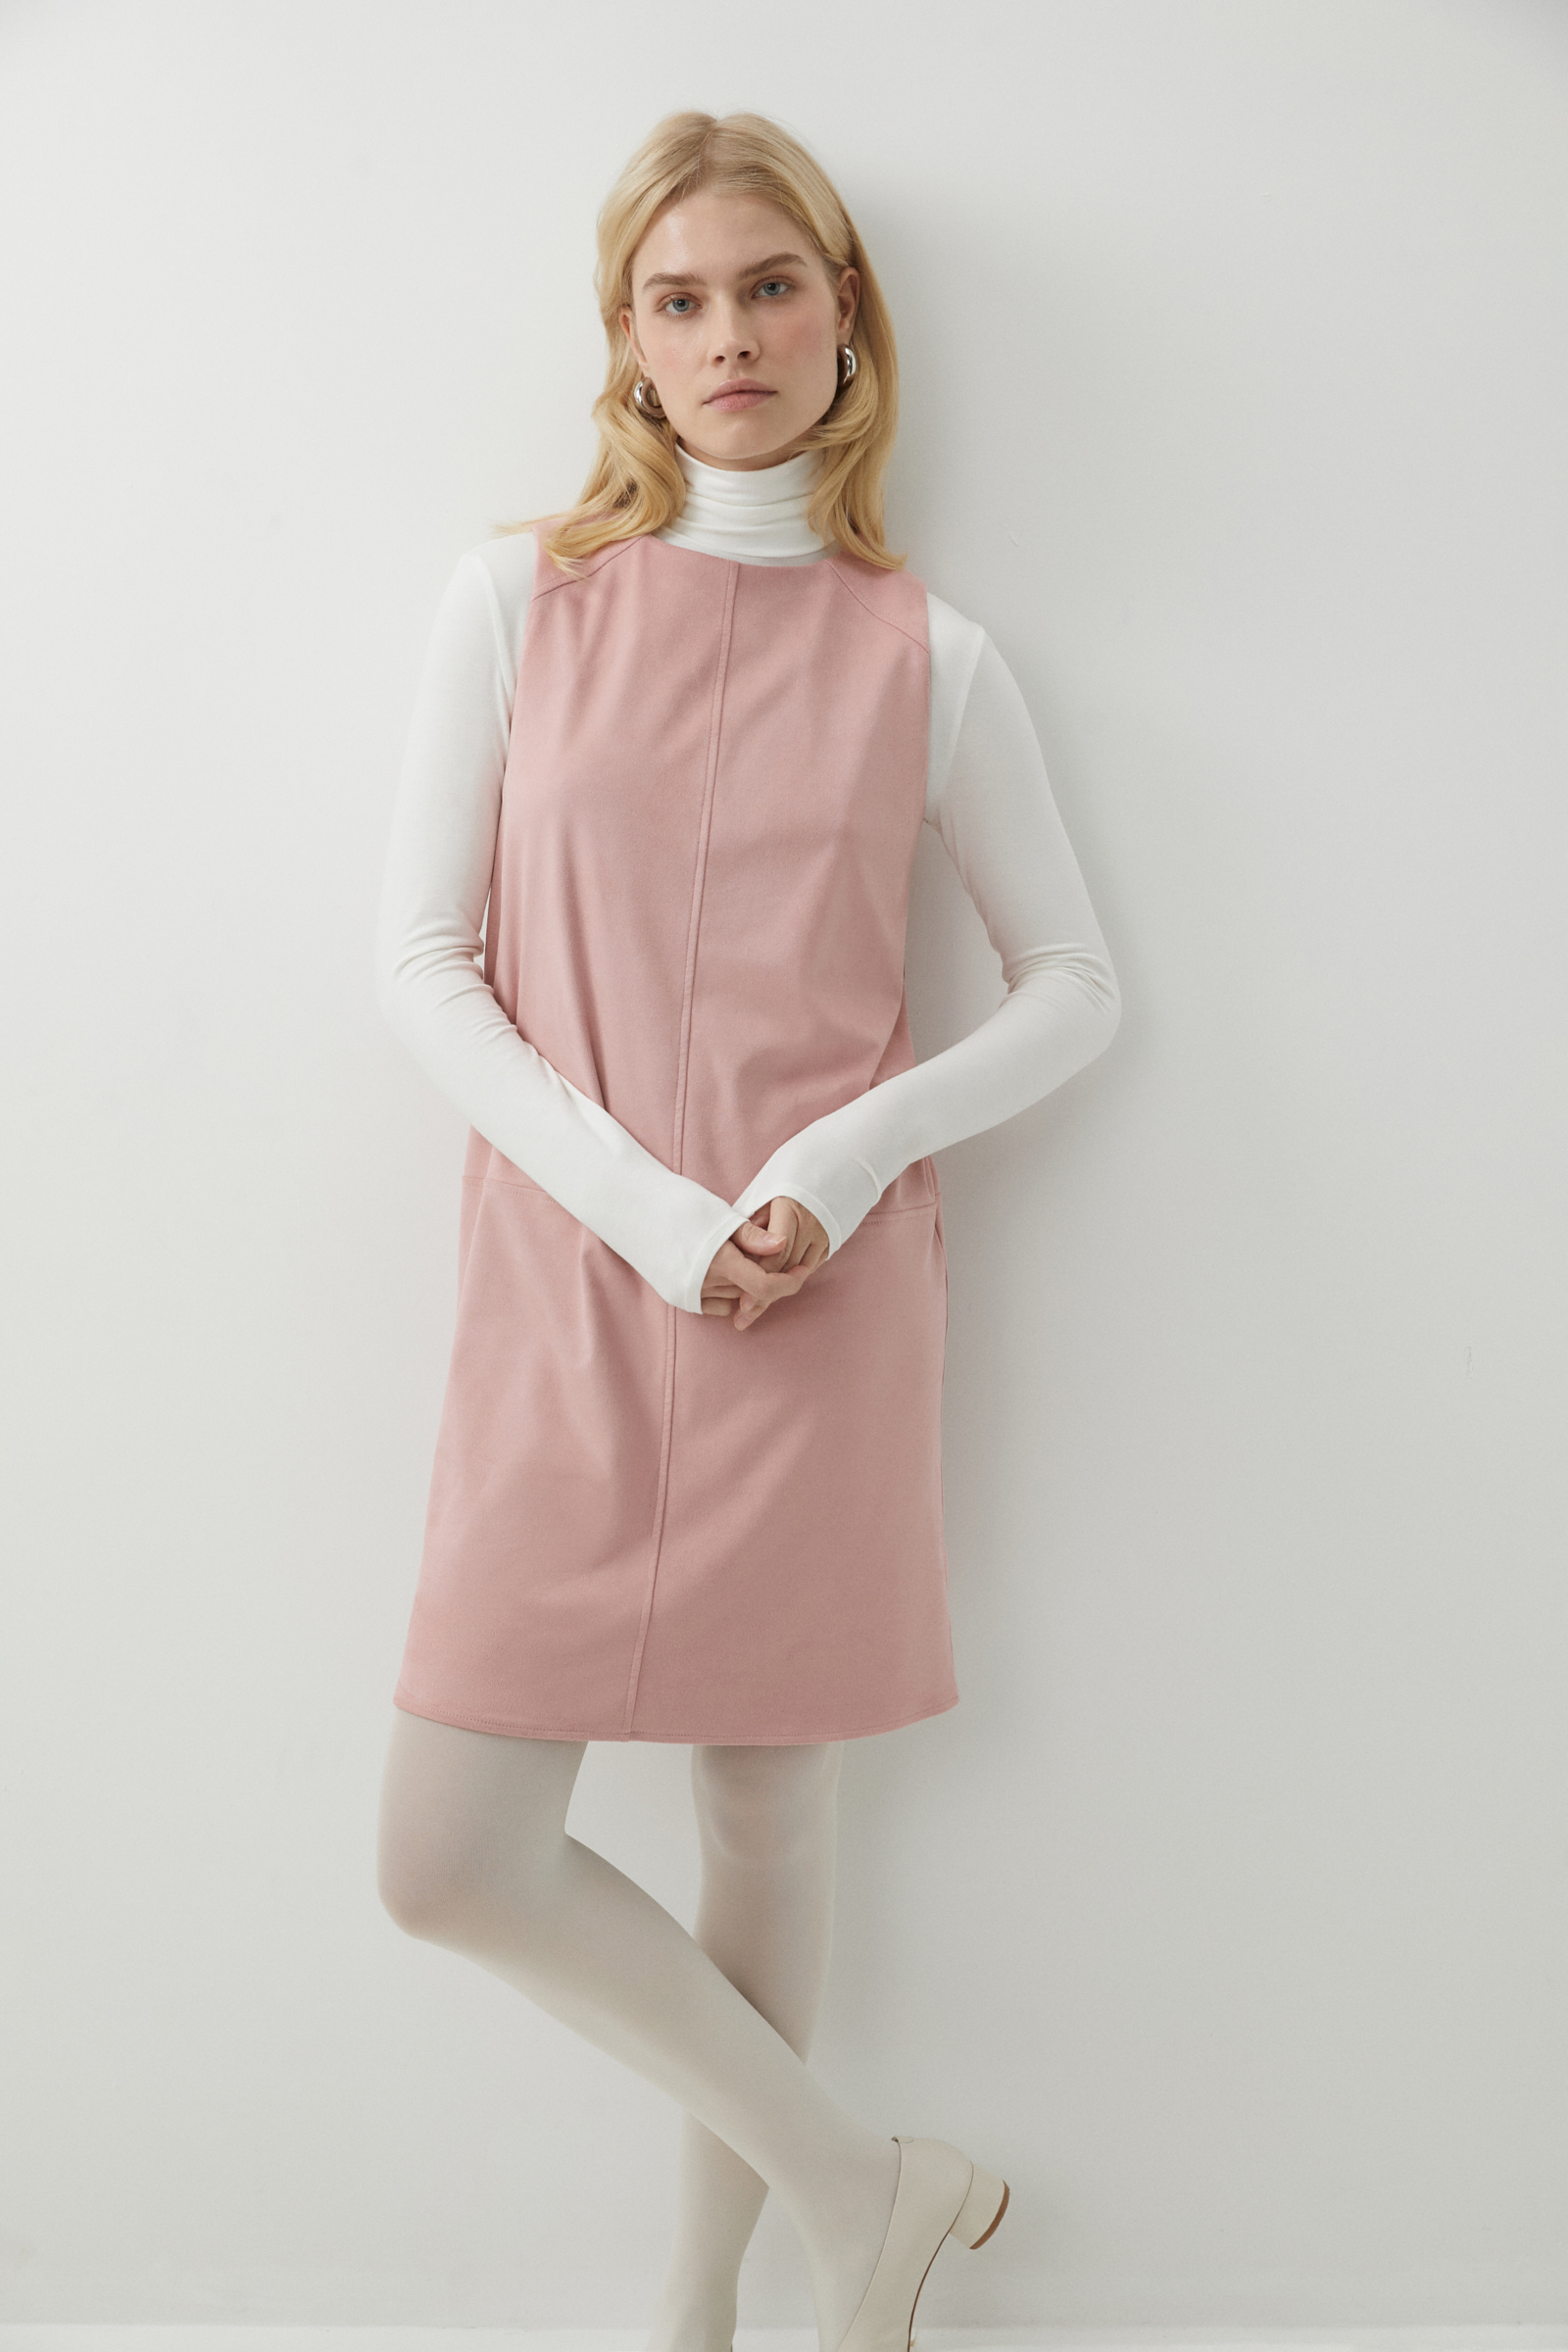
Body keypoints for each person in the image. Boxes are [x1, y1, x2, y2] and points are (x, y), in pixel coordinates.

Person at [372, 109, 1121, 2352]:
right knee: (448, 1858)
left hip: (817, 1306)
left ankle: (707, 2309)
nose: (729, 337)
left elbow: (1074, 987)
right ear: (624, 338)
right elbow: (423, 969)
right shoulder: (513, 601)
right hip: (566, 1284)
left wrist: (837, 1165)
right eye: (679, 300)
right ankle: (863, 2188)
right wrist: (648, 1210)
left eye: (770, 288)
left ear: (842, 316)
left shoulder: (932, 657)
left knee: (765, 1826)